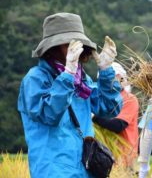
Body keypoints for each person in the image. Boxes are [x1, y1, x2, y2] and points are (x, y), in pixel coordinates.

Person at [18, 12, 123, 178]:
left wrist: (106, 72)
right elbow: (50, 115)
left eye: (78, 44)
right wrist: (67, 75)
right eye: (69, 44)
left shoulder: (81, 79)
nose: (76, 50)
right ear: (53, 47)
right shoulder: (35, 78)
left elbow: (109, 108)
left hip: (86, 169)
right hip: (53, 171)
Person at [92, 62, 139, 169]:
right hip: (105, 156)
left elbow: (118, 125)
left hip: (125, 158)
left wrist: (94, 116)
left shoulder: (129, 99)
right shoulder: (101, 99)